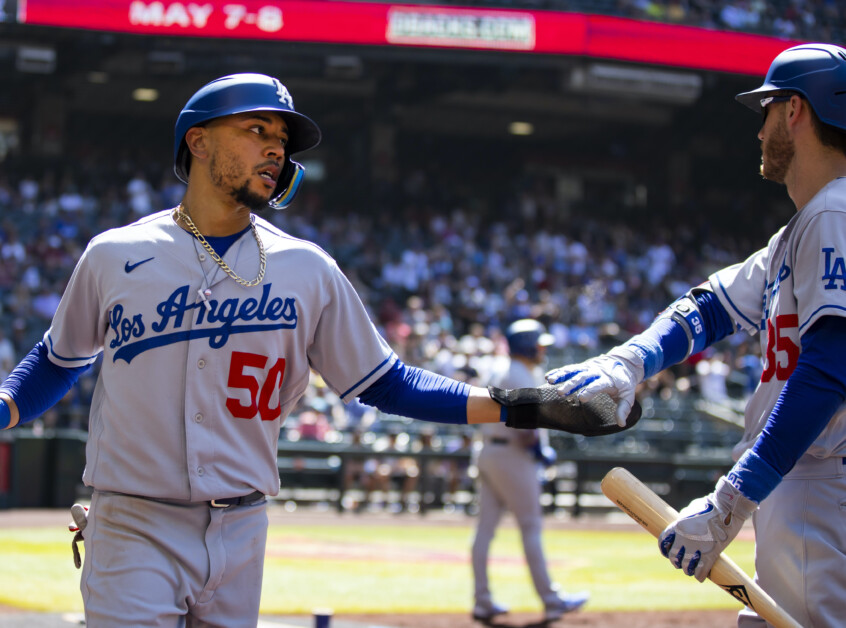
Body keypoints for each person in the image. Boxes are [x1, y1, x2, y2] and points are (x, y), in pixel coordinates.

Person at [0, 73, 616, 627]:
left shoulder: (306, 268)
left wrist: (525, 405)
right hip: (134, 521)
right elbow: (59, 359)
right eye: (257, 129)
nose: (276, 147)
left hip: (242, 527)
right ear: (198, 142)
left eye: (283, 140)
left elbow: (387, 382)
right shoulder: (114, 254)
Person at [546, 43, 846, 627]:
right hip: (807, 485)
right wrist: (629, 361)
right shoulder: (803, 228)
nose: (759, 130)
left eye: (767, 110)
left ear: (796, 111)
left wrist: (733, 497)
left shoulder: (835, 213)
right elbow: (710, 308)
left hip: (821, 484)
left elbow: (832, 364)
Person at [471, 319, 590, 622]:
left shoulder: (501, 368)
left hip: (487, 450)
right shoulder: (521, 373)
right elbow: (526, 429)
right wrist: (540, 451)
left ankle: (482, 600)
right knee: (531, 527)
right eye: (539, 344)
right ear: (526, 345)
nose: (543, 349)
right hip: (513, 454)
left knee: (485, 530)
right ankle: (551, 600)